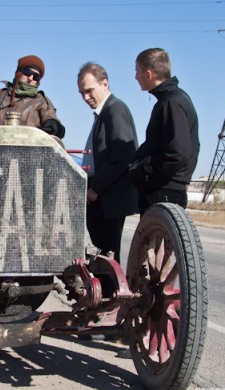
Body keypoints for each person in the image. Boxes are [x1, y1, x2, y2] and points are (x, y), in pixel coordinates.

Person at [78, 62, 138, 263]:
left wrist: (95, 188)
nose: (86, 98)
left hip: (108, 199)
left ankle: (111, 292)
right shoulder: (103, 114)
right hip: (102, 199)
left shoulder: (115, 109)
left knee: (108, 258)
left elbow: (123, 154)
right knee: (102, 256)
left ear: (104, 84)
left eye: (89, 91)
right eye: (81, 93)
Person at [129, 48, 200, 212]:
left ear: (148, 74)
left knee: (151, 238)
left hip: (163, 191)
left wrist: (146, 172)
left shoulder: (171, 102)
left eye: (137, 72)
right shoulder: (177, 98)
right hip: (168, 189)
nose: (135, 77)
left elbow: (178, 152)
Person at [0, 55, 65, 138]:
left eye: (36, 76)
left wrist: (54, 124)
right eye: (28, 72)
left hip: (31, 153)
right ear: (18, 72)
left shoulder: (42, 101)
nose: (30, 78)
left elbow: (50, 116)